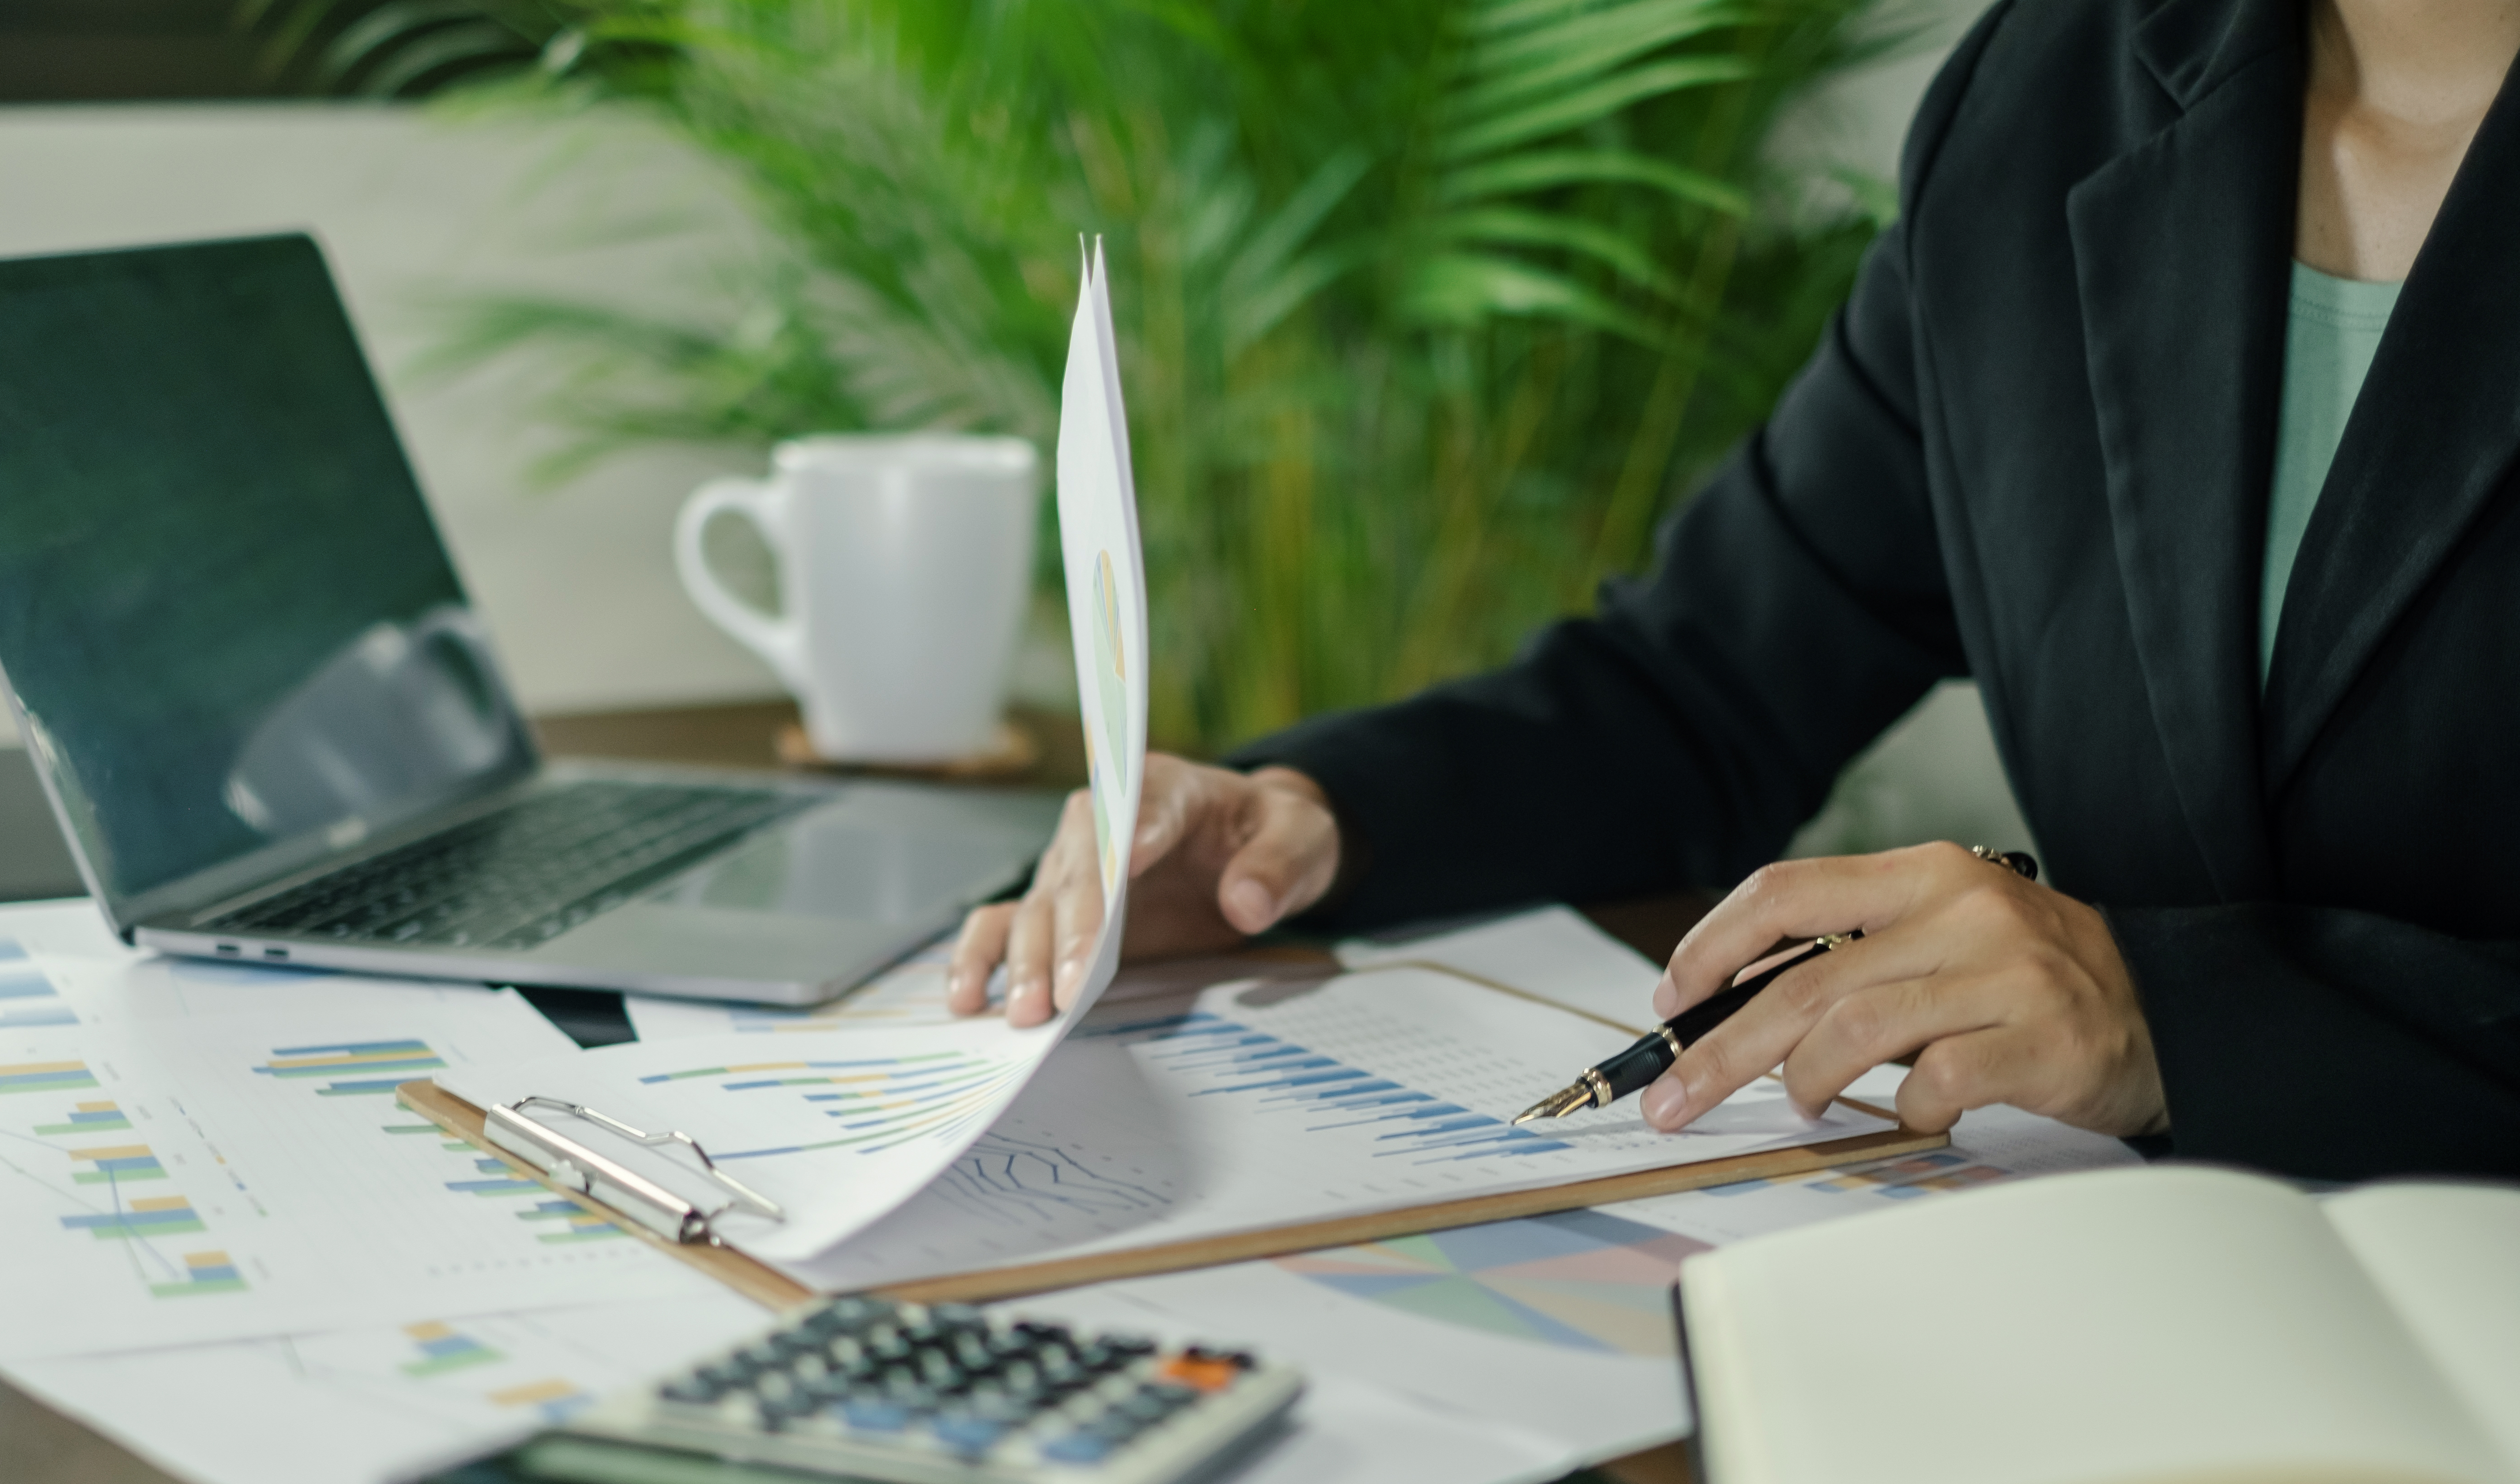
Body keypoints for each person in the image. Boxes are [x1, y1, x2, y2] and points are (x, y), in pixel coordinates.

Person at [952, 0, 2520, 1182]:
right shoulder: (2053, 96)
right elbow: (1704, 683)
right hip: (2115, 1288)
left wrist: (2180, 1013)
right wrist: (1310, 822)